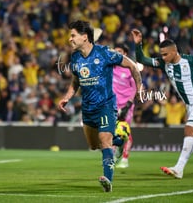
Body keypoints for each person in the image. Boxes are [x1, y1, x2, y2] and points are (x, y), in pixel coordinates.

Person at [58, 20, 142, 192]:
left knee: (104, 142)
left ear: (85, 37)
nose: (70, 39)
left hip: (106, 104)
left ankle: (107, 181)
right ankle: (119, 140)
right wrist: (66, 98)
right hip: (88, 109)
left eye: (73, 35)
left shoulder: (105, 53)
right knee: (94, 145)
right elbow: (75, 82)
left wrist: (139, 87)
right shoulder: (75, 58)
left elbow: (132, 65)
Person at [131, 29, 193, 179]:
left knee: (189, 130)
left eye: (165, 54)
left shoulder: (191, 60)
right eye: (161, 54)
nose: (162, 57)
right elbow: (142, 59)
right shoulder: (164, 63)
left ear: (174, 51)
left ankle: (179, 168)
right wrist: (138, 44)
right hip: (191, 106)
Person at [112, 43, 139, 169]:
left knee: (125, 132)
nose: (117, 53)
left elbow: (134, 89)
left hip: (126, 105)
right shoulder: (111, 67)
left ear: (125, 54)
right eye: (115, 51)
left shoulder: (130, 69)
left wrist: (128, 105)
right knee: (112, 132)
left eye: (120, 51)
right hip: (113, 106)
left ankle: (125, 159)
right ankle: (115, 154)